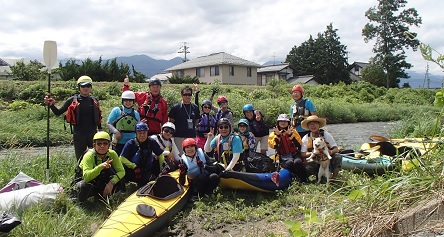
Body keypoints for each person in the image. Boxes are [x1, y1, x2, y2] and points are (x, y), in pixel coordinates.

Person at [44, 75, 102, 160]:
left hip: (93, 133)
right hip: (79, 134)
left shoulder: (94, 100)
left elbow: (98, 116)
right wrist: (51, 105)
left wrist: (100, 130)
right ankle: (80, 173)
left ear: (91, 87)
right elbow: (58, 112)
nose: (85, 88)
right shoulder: (72, 100)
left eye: (88, 86)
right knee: (80, 159)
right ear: (79, 87)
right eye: (83, 86)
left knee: (96, 158)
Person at [74, 131, 125, 203]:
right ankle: (83, 203)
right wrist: (100, 167)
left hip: (100, 180)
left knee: (120, 180)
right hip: (88, 181)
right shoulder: (89, 155)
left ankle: (103, 196)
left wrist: (111, 182)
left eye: (105, 143)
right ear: (94, 145)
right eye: (99, 143)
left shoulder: (112, 154)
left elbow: (122, 171)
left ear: (109, 145)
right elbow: (87, 177)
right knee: (82, 186)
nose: (102, 146)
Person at [119, 122, 165, 187]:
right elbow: (122, 158)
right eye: (140, 133)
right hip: (133, 171)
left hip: (146, 170)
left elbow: (160, 155)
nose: (142, 135)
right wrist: (133, 166)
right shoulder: (130, 143)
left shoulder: (151, 141)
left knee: (155, 180)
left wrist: (161, 168)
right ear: (136, 133)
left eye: (144, 133)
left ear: (147, 132)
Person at [268, 114, 309, 183]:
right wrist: (277, 136)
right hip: (283, 156)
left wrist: (290, 135)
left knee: (298, 162)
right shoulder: (273, 134)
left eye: (285, 121)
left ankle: (304, 179)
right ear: (278, 123)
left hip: (295, 154)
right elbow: (274, 146)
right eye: (281, 121)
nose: (283, 123)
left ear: (288, 123)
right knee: (289, 163)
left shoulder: (293, 132)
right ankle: (295, 178)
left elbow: (299, 144)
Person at [300, 115, 341, 181]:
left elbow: (336, 149)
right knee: (307, 168)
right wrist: (314, 153)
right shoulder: (306, 138)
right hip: (315, 160)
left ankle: (334, 178)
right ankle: (317, 176)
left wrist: (330, 152)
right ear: (308, 127)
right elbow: (303, 154)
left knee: (337, 156)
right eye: (311, 124)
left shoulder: (326, 134)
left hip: (326, 160)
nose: (313, 126)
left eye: (315, 124)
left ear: (319, 125)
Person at [168, 86, 201, 155]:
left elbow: (197, 120)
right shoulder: (176, 107)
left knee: (192, 154)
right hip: (179, 135)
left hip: (191, 134)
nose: (187, 96)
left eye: (189, 94)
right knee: (179, 155)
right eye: (185, 94)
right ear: (182, 95)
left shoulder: (195, 107)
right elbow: (171, 121)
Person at [107, 90, 140, 155]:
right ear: (122, 101)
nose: (128, 103)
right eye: (126, 101)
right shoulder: (116, 110)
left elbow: (137, 128)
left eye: (130, 101)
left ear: (133, 101)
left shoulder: (136, 114)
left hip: (132, 142)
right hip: (119, 142)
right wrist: (115, 131)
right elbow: (109, 123)